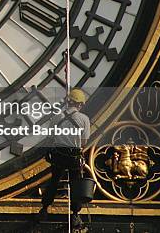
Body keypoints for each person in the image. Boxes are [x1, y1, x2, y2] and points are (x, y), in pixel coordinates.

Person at [38, 88, 91, 229]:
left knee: (54, 181)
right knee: (76, 184)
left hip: (58, 155)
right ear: (80, 104)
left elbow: (50, 136)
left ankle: (44, 208)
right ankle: (75, 214)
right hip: (74, 155)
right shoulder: (84, 119)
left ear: (69, 102)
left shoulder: (57, 116)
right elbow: (84, 141)